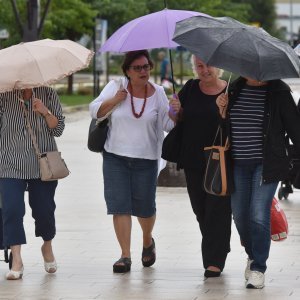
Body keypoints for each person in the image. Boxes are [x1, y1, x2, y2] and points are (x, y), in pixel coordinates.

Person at [89, 50, 181, 273]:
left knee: (145, 209)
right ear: (127, 71)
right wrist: (115, 100)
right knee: (119, 206)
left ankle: (147, 240)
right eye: (137, 68)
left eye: (146, 67)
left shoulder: (158, 92)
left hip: (146, 159)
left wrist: (175, 112)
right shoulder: (116, 86)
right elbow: (94, 110)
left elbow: (167, 126)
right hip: (115, 157)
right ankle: (125, 255)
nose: (143, 71)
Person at [216, 76, 300, 289]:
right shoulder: (234, 88)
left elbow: (295, 128)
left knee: (257, 214)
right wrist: (222, 110)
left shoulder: (279, 91)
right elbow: (225, 127)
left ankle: (258, 268)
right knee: (240, 215)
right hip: (238, 163)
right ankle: (252, 256)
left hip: (267, 164)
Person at [168, 56, 232, 278]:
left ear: (218, 66)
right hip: (192, 158)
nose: (205, 70)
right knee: (200, 209)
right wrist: (175, 109)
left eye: (208, 65)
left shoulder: (230, 90)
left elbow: (234, 126)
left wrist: (224, 112)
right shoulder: (191, 87)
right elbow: (177, 119)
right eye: (199, 66)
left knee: (218, 209)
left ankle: (214, 261)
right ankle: (219, 245)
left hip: (219, 160)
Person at [0, 87, 65, 280]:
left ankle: (47, 245)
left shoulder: (48, 93)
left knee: (44, 210)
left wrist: (45, 112)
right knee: (12, 210)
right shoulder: (4, 95)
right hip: (9, 163)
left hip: (42, 165)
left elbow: (59, 129)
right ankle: (17, 259)